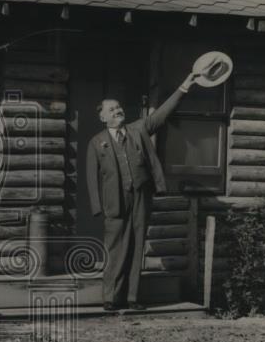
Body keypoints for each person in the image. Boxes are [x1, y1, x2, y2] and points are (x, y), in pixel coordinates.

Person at [86, 70, 205, 311]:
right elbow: (91, 177)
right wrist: (98, 207)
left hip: (141, 197)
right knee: (116, 250)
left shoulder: (138, 130)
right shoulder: (96, 142)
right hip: (115, 203)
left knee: (137, 246)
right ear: (102, 117)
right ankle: (110, 298)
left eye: (119, 107)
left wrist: (184, 86)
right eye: (112, 110)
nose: (118, 111)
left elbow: (161, 114)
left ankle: (131, 298)